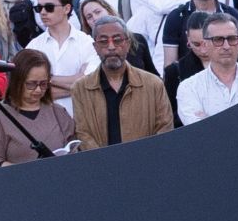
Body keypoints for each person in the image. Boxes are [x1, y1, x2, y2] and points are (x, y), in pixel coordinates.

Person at [71, 15, 172, 150]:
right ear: (95, 47)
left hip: (145, 163)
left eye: (117, 40)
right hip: (102, 166)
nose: (111, 47)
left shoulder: (153, 84)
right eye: (103, 41)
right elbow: (83, 133)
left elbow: (164, 129)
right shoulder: (80, 89)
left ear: (128, 44)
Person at [0, 49, 77, 170]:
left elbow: (74, 148)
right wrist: (26, 172)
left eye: (43, 84)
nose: (38, 90)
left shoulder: (58, 111)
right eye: (31, 84)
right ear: (17, 81)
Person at [24, 0, 101, 116]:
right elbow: (27, 91)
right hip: (45, 125)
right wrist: (77, 83)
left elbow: (90, 83)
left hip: (82, 121)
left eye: (49, 7)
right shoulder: (33, 46)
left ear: (66, 9)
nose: (43, 12)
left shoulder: (87, 43)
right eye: (38, 8)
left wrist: (45, 80)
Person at [176, 13, 238, 124]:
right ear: (205, 45)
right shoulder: (189, 87)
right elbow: (199, 131)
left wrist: (210, 120)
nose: (226, 46)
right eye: (218, 40)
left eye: (231, 39)